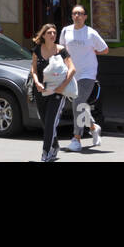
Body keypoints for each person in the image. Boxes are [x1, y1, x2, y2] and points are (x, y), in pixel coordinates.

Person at [61, 5, 108, 151]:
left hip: (87, 74)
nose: (77, 16)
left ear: (85, 17)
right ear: (72, 16)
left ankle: (76, 139)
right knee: (79, 105)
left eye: (80, 13)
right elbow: (62, 49)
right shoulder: (66, 31)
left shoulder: (91, 33)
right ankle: (93, 127)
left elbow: (105, 49)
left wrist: (92, 51)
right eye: (74, 13)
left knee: (78, 103)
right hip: (72, 74)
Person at [30, 23, 76, 162]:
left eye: (54, 33)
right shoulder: (37, 50)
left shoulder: (61, 50)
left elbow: (72, 69)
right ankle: (54, 146)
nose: (52, 35)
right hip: (41, 91)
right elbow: (33, 69)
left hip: (57, 92)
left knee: (50, 123)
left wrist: (63, 87)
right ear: (43, 35)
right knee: (45, 123)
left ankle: (46, 154)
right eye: (49, 33)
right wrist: (36, 82)